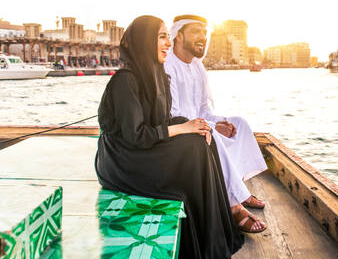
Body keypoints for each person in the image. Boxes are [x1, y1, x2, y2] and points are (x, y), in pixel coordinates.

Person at [95, 15, 244, 258]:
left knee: (203, 139)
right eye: (162, 37)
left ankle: (215, 238)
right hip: (121, 161)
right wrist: (182, 128)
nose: (168, 43)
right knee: (193, 148)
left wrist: (195, 126)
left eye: (168, 36)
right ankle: (205, 244)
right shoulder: (125, 81)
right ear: (144, 41)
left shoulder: (158, 76)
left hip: (143, 149)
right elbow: (135, 136)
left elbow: (162, 121)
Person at [164, 14, 268, 233]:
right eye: (196, 32)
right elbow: (173, 116)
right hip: (181, 133)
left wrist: (219, 122)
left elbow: (203, 109)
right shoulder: (168, 66)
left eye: (205, 32)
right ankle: (233, 206)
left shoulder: (197, 67)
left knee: (239, 123)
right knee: (209, 135)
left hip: (200, 123)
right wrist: (212, 126)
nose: (203, 37)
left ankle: (238, 188)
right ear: (179, 36)